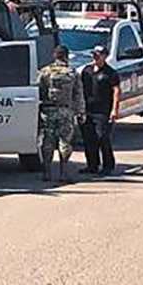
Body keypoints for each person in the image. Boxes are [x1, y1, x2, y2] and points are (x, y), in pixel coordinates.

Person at [37, 45, 85, 184]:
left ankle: (47, 172)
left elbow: (39, 91)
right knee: (65, 141)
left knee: (47, 141)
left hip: (48, 111)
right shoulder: (72, 73)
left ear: (55, 56)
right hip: (66, 111)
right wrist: (81, 111)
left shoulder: (45, 71)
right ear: (66, 56)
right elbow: (78, 94)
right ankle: (64, 173)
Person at [80, 45, 121, 176]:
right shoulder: (86, 71)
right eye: (94, 54)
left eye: (98, 54)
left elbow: (116, 91)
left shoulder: (111, 73)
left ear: (104, 56)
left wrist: (115, 110)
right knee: (88, 139)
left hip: (103, 111)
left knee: (103, 137)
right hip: (87, 110)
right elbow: (80, 89)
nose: (95, 57)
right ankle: (92, 165)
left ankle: (108, 165)